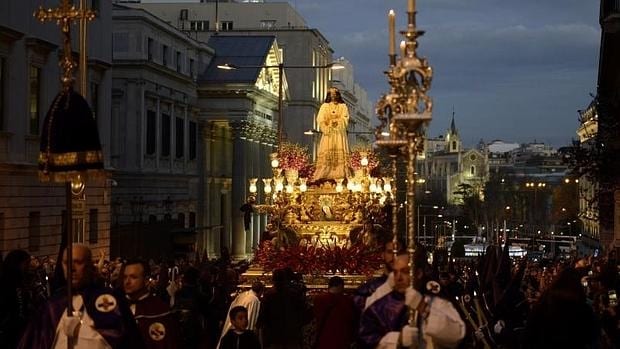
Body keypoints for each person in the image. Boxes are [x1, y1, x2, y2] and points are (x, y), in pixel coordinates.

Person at [18, 244, 143, 349]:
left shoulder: (110, 299)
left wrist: (83, 329)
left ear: (89, 265)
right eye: (67, 263)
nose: (71, 268)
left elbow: (129, 340)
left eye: (78, 262)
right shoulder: (52, 305)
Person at [359, 253, 466, 349]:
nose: (399, 278)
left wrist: (423, 308)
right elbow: (367, 339)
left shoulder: (437, 301)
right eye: (396, 272)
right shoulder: (382, 305)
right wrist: (398, 340)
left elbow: (457, 335)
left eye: (405, 272)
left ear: (418, 273)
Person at [122, 259, 180, 349]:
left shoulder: (159, 310)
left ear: (145, 280)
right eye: (125, 277)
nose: (127, 282)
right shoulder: (118, 306)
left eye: (133, 277)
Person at [313, 87, 352, 181]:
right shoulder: (325, 106)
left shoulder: (343, 106)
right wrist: (326, 126)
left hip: (339, 134)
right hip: (329, 133)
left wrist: (337, 122)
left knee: (340, 152)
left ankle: (341, 173)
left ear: (338, 95)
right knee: (327, 151)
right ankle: (325, 173)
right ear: (329, 95)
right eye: (331, 94)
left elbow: (345, 118)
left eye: (335, 94)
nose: (333, 96)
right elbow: (320, 119)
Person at [312, 276, 357, 349]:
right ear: (340, 286)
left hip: (323, 338)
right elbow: (351, 318)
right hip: (341, 339)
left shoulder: (318, 299)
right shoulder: (347, 301)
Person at [218, 281, 265, 349]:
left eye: (245, 317)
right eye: (241, 318)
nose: (245, 320)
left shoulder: (243, 295)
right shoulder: (254, 300)